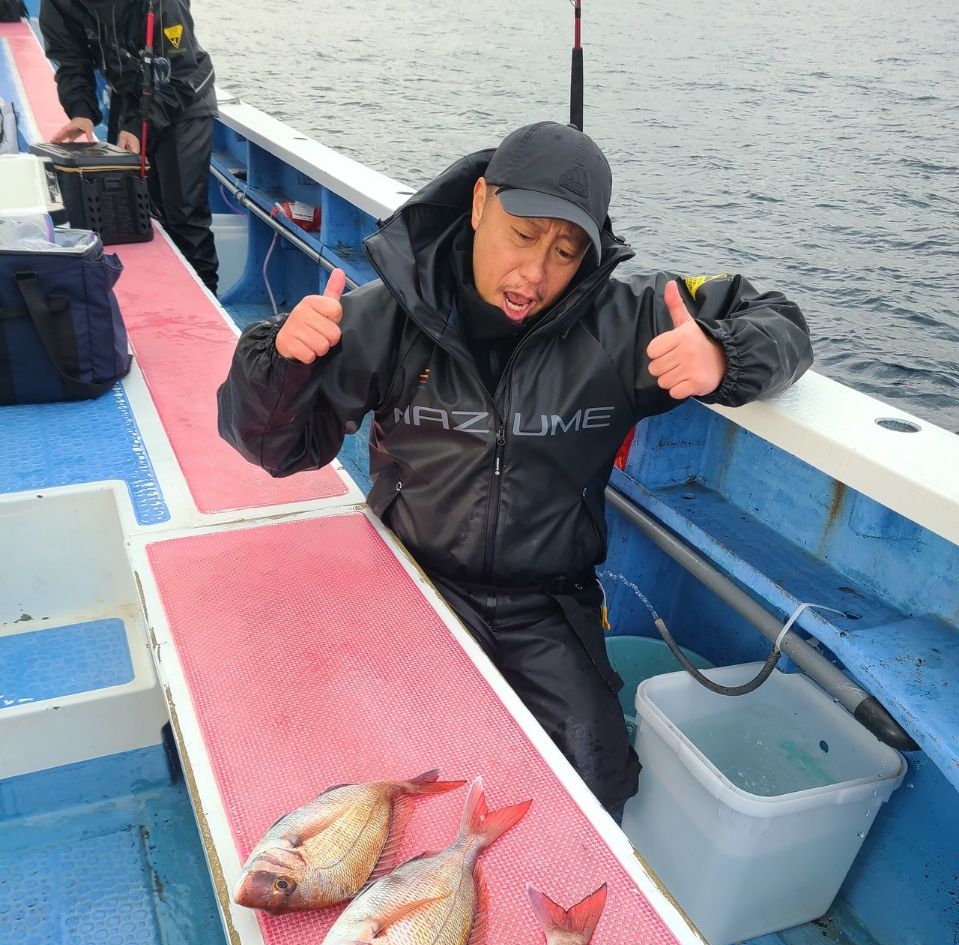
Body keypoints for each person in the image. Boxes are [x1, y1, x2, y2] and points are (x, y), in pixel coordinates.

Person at [217, 121, 813, 816]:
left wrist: (721, 355)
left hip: (548, 603)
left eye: (565, 251)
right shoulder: (386, 317)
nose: (534, 273)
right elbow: (272, 447)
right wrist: (280, 363)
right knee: (378, 777)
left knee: (598, 783)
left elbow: (779, 319)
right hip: (415, 581)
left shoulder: (627, 321)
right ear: (478, 204)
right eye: (522, 235)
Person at [39, 0, 218, 293]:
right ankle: (154, 288)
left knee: (184, 213)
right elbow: (71, 59)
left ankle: (205, 293)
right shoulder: (59, 4)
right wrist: (81, 110)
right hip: (129, 96)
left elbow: (182, 71)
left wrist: (137, 126)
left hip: (184, 99)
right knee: (130, 207)